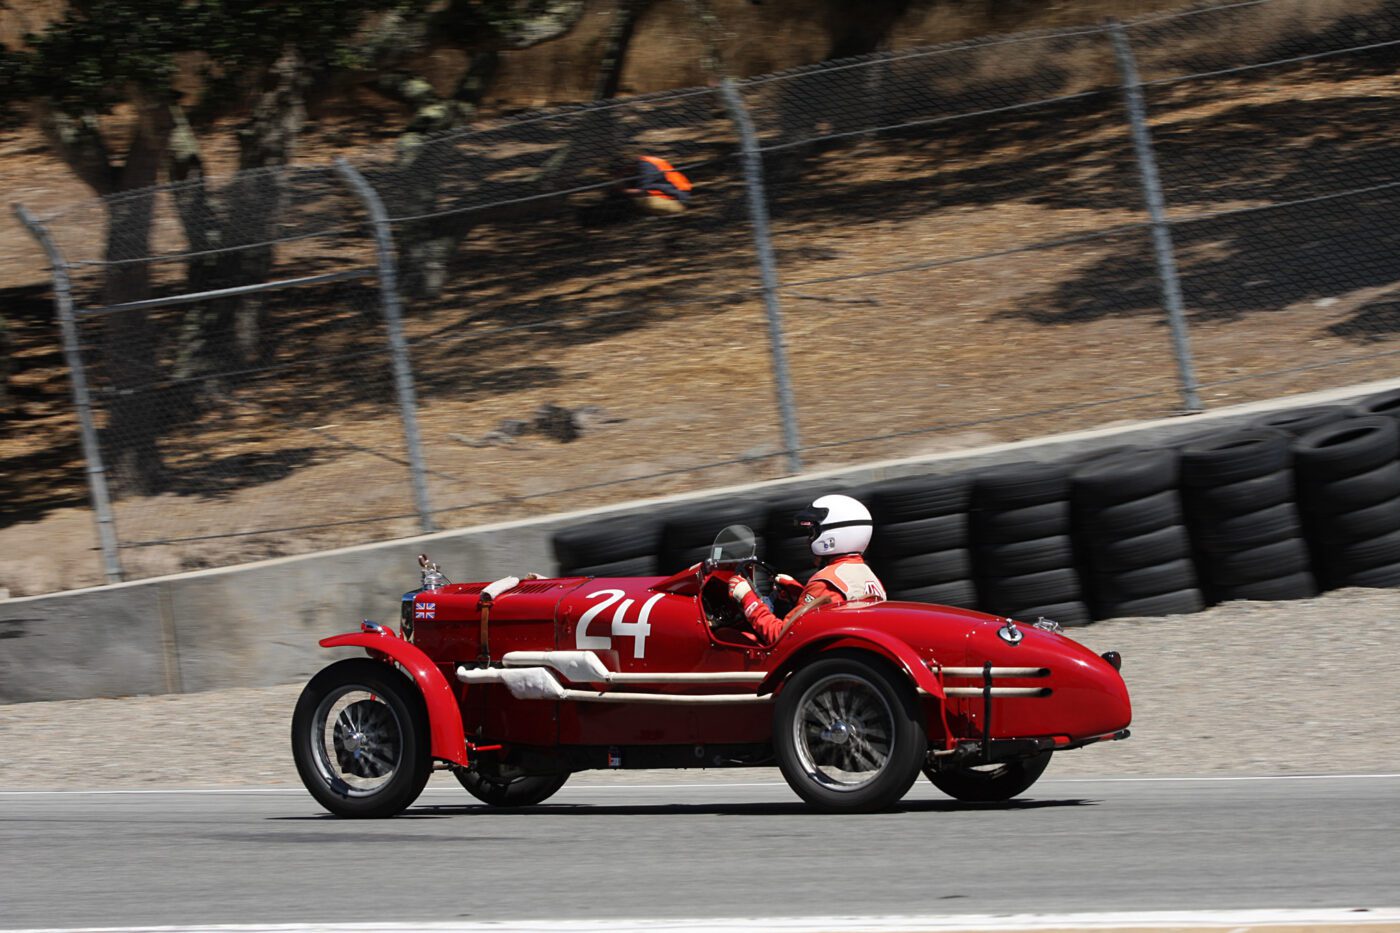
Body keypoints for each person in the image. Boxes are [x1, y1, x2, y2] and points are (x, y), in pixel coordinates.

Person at [726, 494, 886, 645]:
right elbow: (828, 605)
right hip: (852, 653)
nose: (808, 540)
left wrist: (748, 599)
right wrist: (798, 592)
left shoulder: (825, 582)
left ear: (832, 536)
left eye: (813, 533)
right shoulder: (868, 577)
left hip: (821, 660)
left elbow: (779, 636)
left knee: (736, 639)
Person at [618, 154, 692, 216]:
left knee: (639, 199)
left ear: (627, 165)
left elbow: (643, 191)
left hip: (677, 203)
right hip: (680, 195)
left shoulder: (646, 167)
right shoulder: (650, 160)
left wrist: (622, 189)